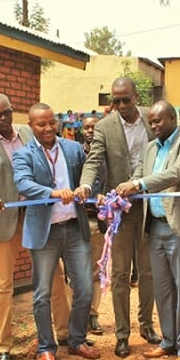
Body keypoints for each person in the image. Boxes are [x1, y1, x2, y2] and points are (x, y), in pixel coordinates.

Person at [0, 93, 71, 360]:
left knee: (56, 276)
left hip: (38, 215)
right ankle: (3, 347)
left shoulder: (28, 132)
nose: (4, 118)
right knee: (3, 286)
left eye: (8, 112)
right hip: (4, 220)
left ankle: (64, 333)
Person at [116, 100, 180, 360]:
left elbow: (177, 173)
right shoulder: (149, 148)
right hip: (155, 226)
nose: (154, 125)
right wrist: (121, 190)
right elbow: (138, 174)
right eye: (151, 121)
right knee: (164, 289)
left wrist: (139, 184)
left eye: (159, 120)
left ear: (172, 118)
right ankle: (169, 340)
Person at [75, 77, 161, 358]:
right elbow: (94, 161)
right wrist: (87, 186)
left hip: (149, 207)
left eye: (126, 99)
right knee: (121, 274)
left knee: (148, 272)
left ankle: (147, 325)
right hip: (120, 211)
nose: (121, 105)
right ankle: (123, 335)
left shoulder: (153, 119)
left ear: (136, 97)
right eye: (116, 100)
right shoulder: (104, 127)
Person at [12, 103, 100, 360]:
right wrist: (52, 193)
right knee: (42, 294)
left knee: (84, 287)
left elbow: (90, 176)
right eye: (42, 124)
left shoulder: (73, 149)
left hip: (74, 228)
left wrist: (85, 187)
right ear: (31, 126)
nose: (49, 128)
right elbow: (23, 183)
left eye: (52, 122)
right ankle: (46, 348)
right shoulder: (23, 154)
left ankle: (76, 339)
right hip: (45, 232)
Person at [81, 115, 105, 335]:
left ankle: (93, 315)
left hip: (98, 221)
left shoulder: (106, 156)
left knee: (95, 271)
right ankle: (78, 315)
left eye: (94, 127)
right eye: (87, 127)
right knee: (77, 272)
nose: (90, 131)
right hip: (76, 221)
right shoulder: (73, 154)